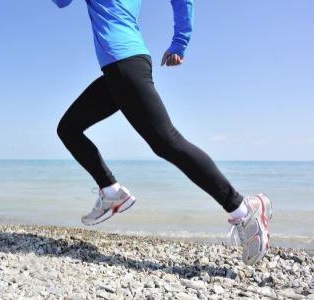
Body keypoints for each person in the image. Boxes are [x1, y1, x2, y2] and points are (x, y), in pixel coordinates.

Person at [52, 0, 272, 265]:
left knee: (167, 141)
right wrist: (180, 41)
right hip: (121, 67)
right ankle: (110, 191)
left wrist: (180, 42)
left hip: (123, 64)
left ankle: (243, 209)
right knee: (69, 128)